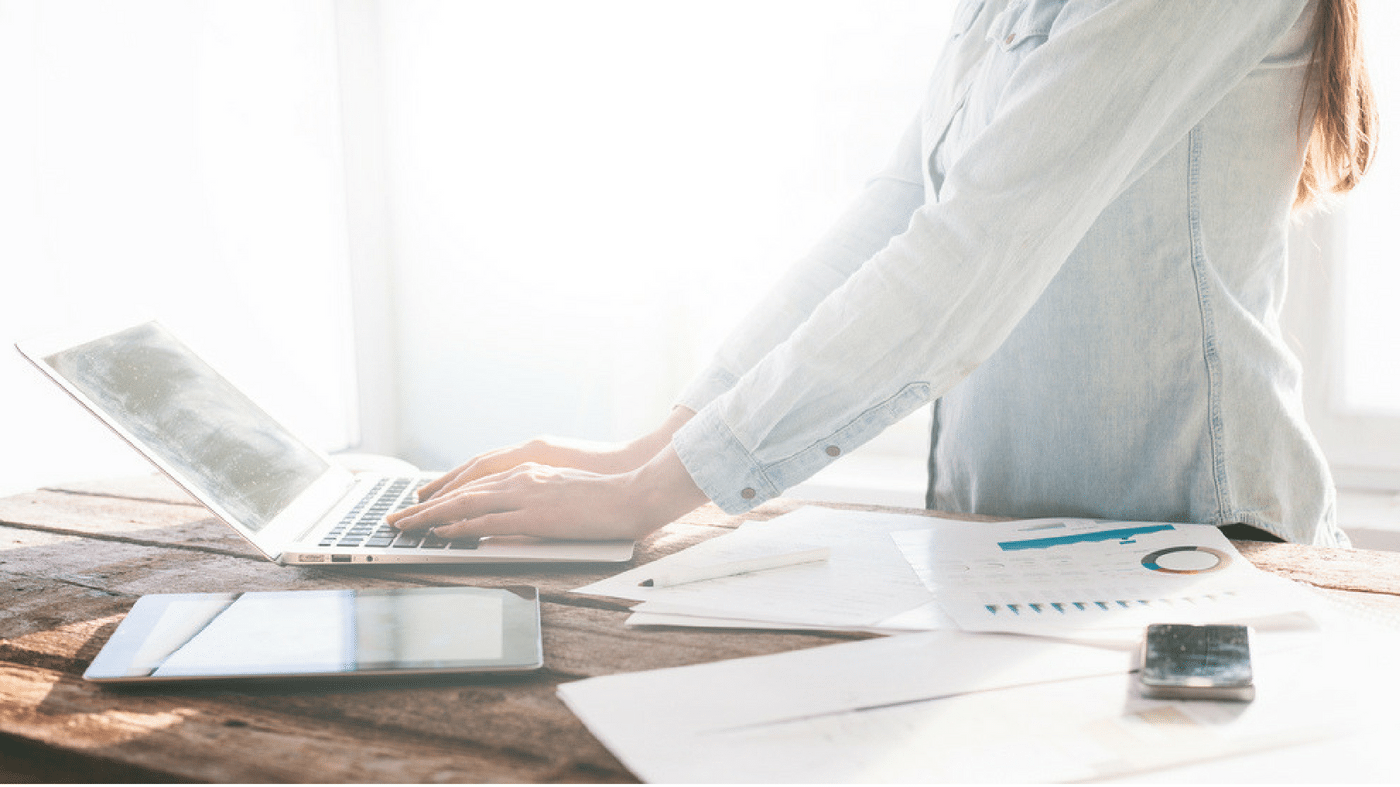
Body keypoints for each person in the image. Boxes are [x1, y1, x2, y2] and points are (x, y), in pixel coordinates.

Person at [388, 0, 1375, 547]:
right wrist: (653, 448)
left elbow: (974, 249)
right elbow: (901, 208)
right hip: (1005, 538)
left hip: (1203, 543)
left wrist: (653, 495)